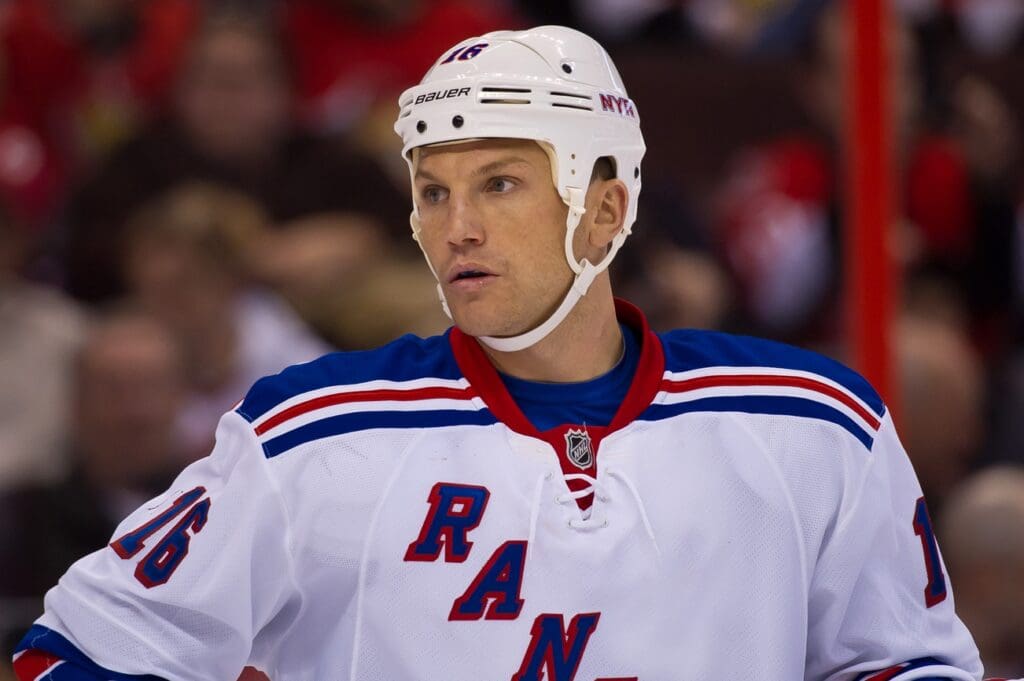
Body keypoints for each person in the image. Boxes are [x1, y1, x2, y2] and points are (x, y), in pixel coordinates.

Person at [10, 25, 993, 680]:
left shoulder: (815, 426)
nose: (457, 227)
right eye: (433, 191)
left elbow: (901, 662)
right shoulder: (306, 434)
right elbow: (80, 652)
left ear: (607, 205)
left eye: (500, 184)